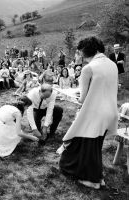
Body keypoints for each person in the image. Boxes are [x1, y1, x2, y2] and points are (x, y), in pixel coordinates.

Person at [59, 37, 118, 189]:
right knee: (94, 146)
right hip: (110, 111)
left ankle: (92, 180)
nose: (79, 54)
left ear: (86, 50)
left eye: (80, 51)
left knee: (88, 147)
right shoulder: (113, 65)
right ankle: (98, 177)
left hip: (94, 112)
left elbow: (83, 98)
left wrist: (72, 95)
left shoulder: (88, 68)